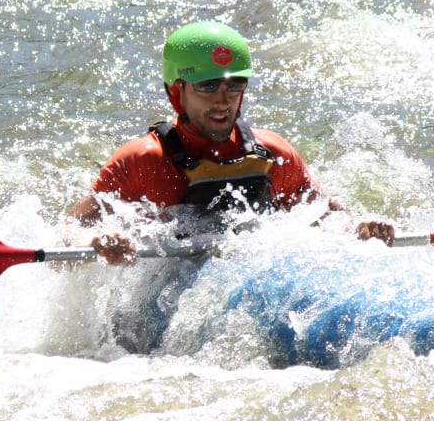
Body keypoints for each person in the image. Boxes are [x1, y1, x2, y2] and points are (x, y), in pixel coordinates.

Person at [70, 21, 395, 263]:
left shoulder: (273, 154)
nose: (224, 101)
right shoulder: (141, 160)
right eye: (208, 86)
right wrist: (97, 243)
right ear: (176, 91)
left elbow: (328, 217)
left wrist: (360, 229)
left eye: (235, 86)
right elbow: (67, 238)